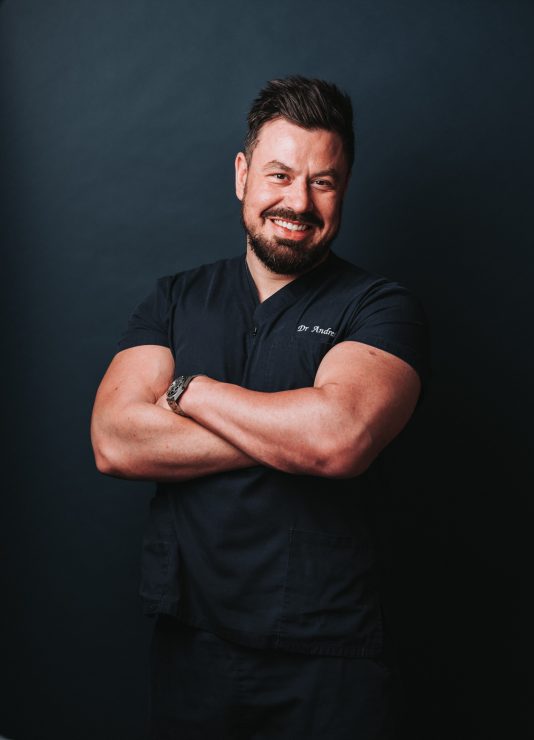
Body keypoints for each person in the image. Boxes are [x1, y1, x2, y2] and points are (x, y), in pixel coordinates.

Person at [91, 76, 429, 739]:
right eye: (279, 175)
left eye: (322, 182)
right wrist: (289, 431)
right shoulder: (174, 300)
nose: (298, 201)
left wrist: (189, 392)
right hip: (192, 644)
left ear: (344, 188)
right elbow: (114, 440)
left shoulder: (380, 308)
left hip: (329, 654)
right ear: (242, 174)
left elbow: (338, 440)